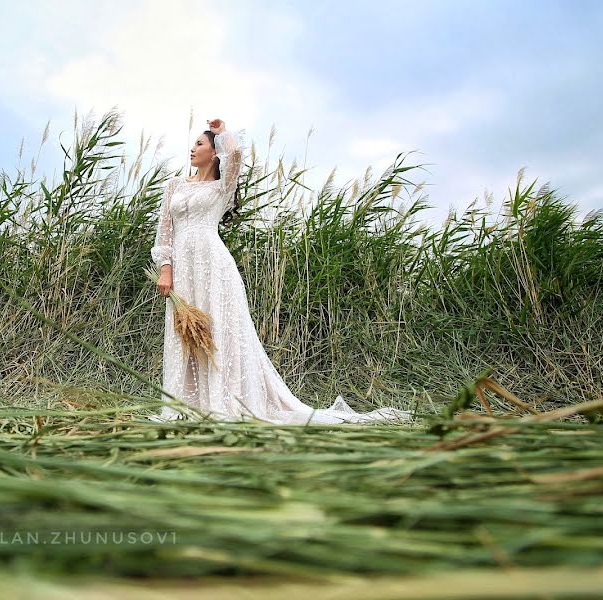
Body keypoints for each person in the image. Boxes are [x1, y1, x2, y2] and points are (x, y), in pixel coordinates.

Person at [148, 118, 413, 425]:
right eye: (194, 143)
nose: (192, 149)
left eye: (200, 144)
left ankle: (224, 404)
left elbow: (235, 157)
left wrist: (223, 133)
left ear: (213, 153)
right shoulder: (175, 185)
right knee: (185, 335)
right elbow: (164, 233)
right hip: (183, 270)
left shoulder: (223, 186)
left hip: (214, 268)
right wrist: (165, 270)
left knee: (219, 334)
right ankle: (185, 406)